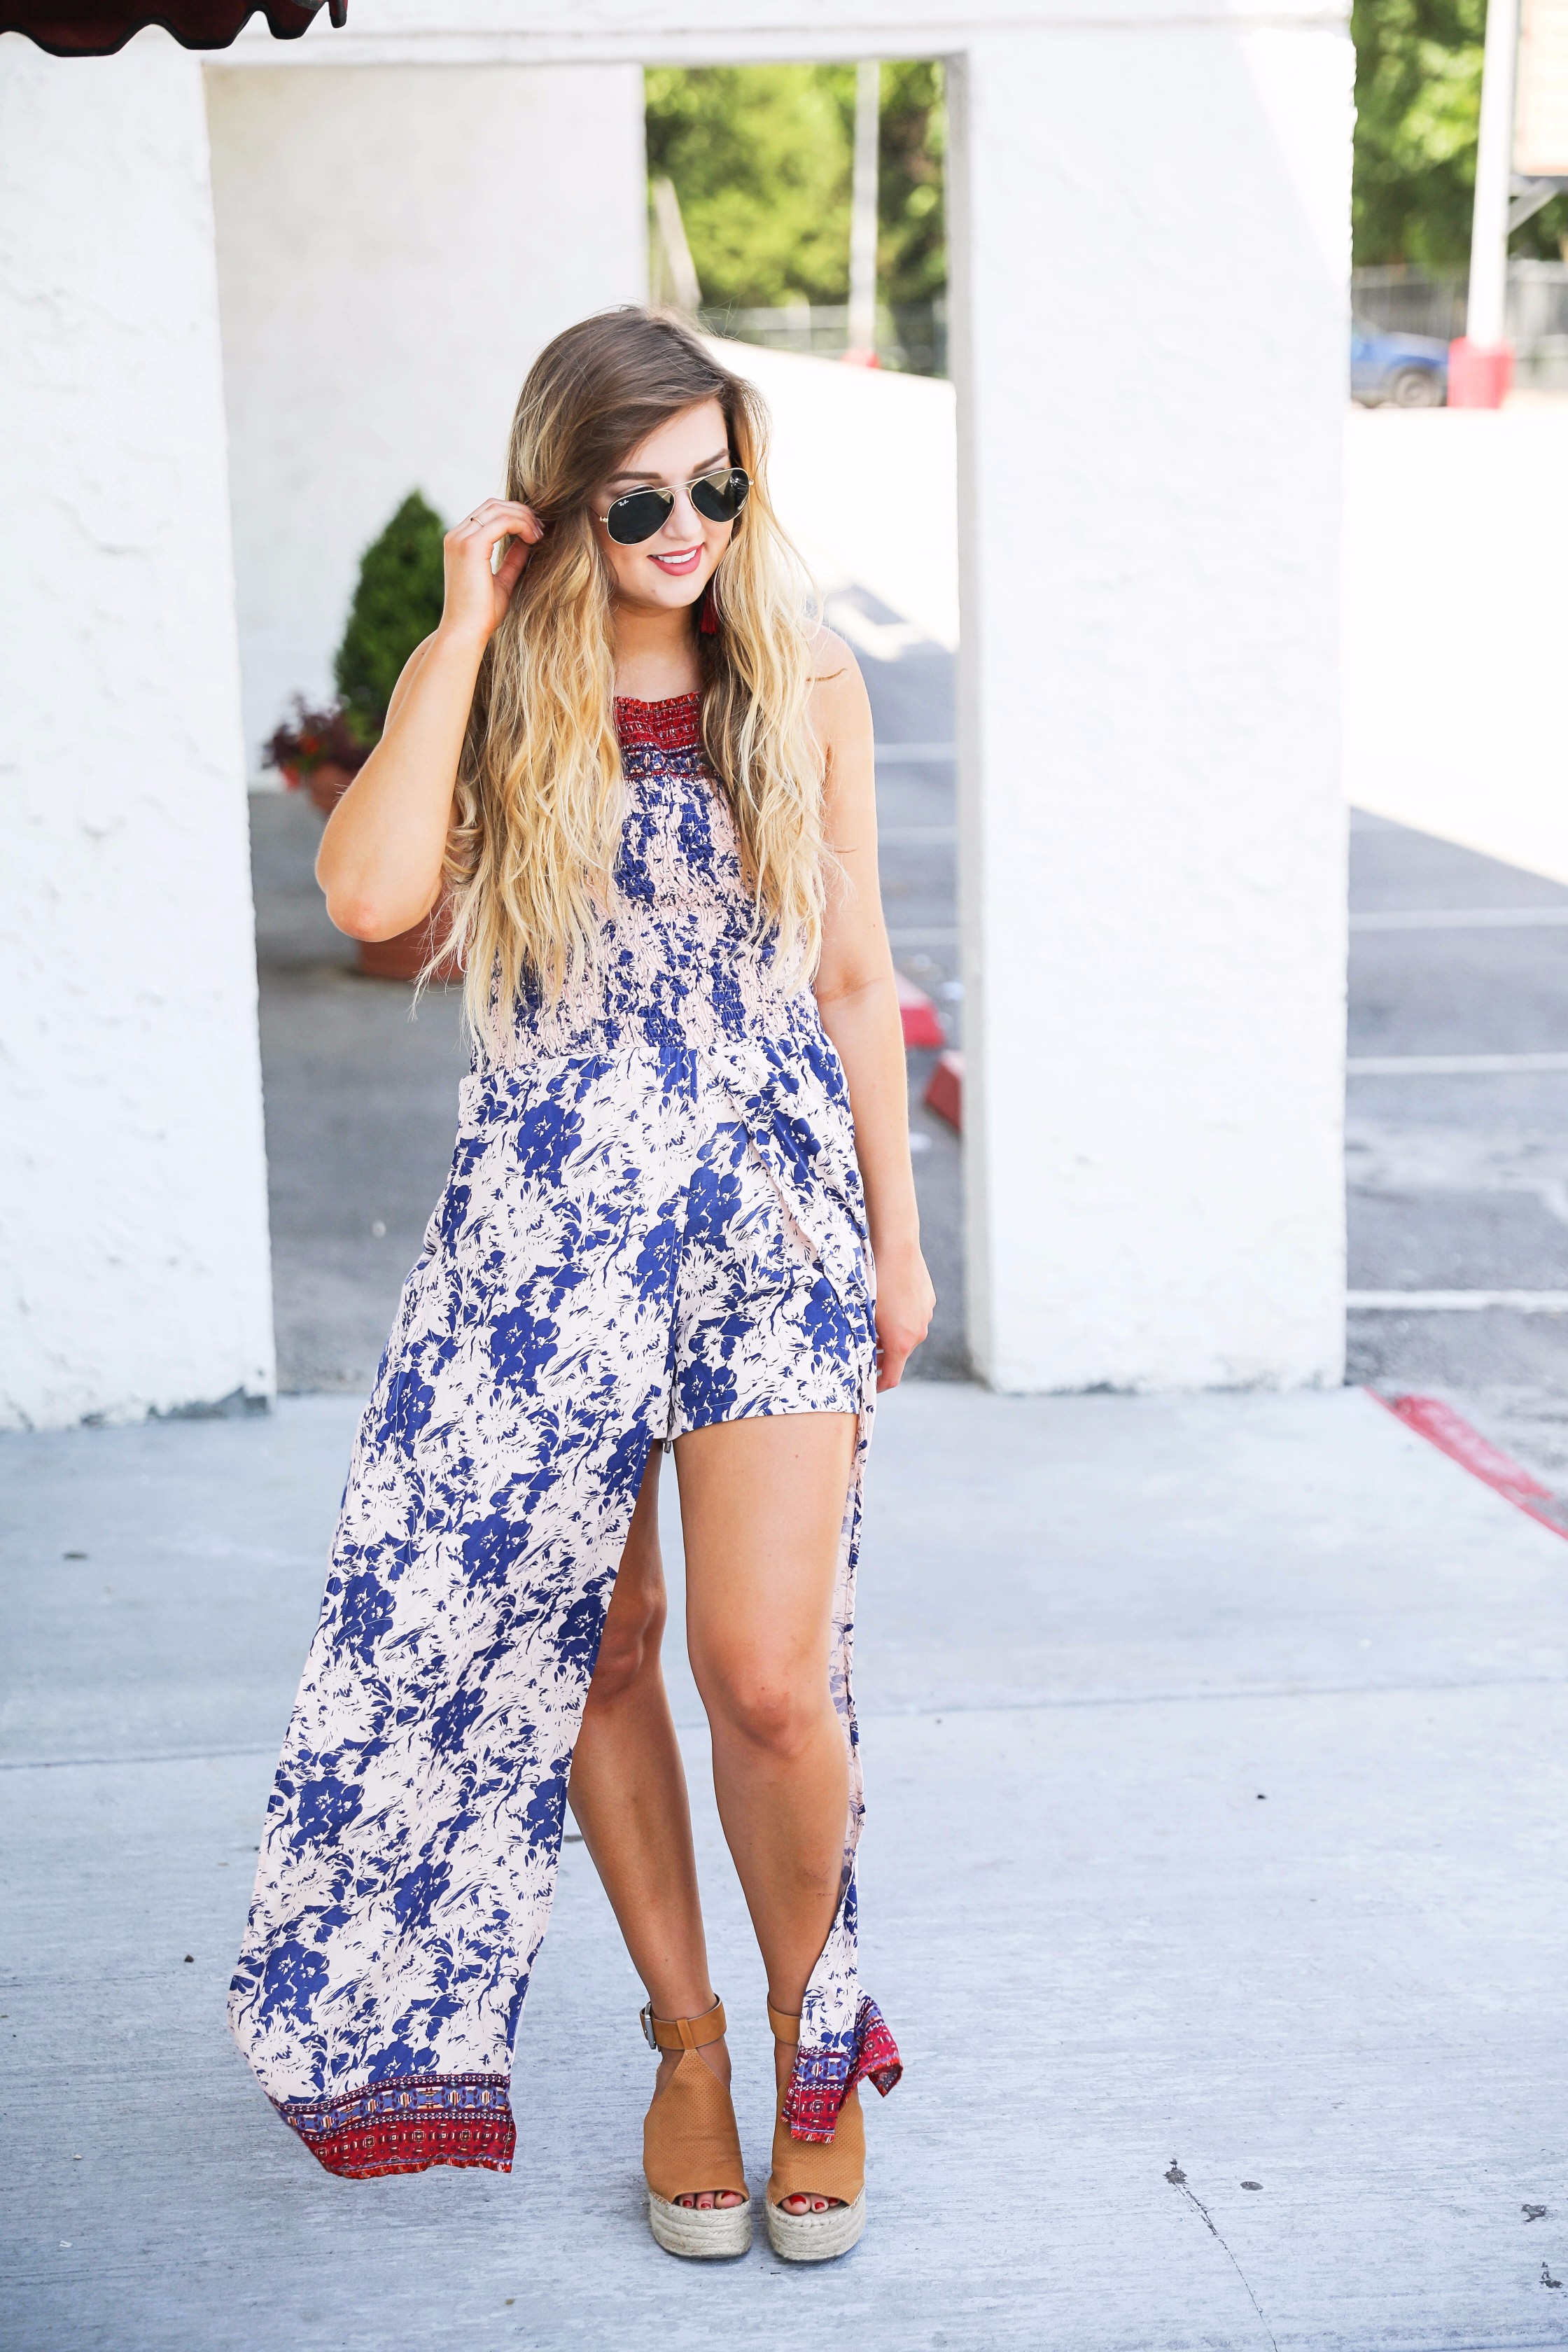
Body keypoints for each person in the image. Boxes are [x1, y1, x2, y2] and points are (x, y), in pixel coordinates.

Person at [228, 307, 934, 2264]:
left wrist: (897, 1230)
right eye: (645, 496)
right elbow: (371, 899)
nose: (693, 522)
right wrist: (461, 631)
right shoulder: (509, 691)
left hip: (770, 1214)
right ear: (562, 498)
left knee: (766, 1678)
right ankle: (688, 2042)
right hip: (544, 1230)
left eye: (722, 482)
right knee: (594, 1654)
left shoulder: (797, 676)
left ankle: (815, 2036)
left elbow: (858, 977)